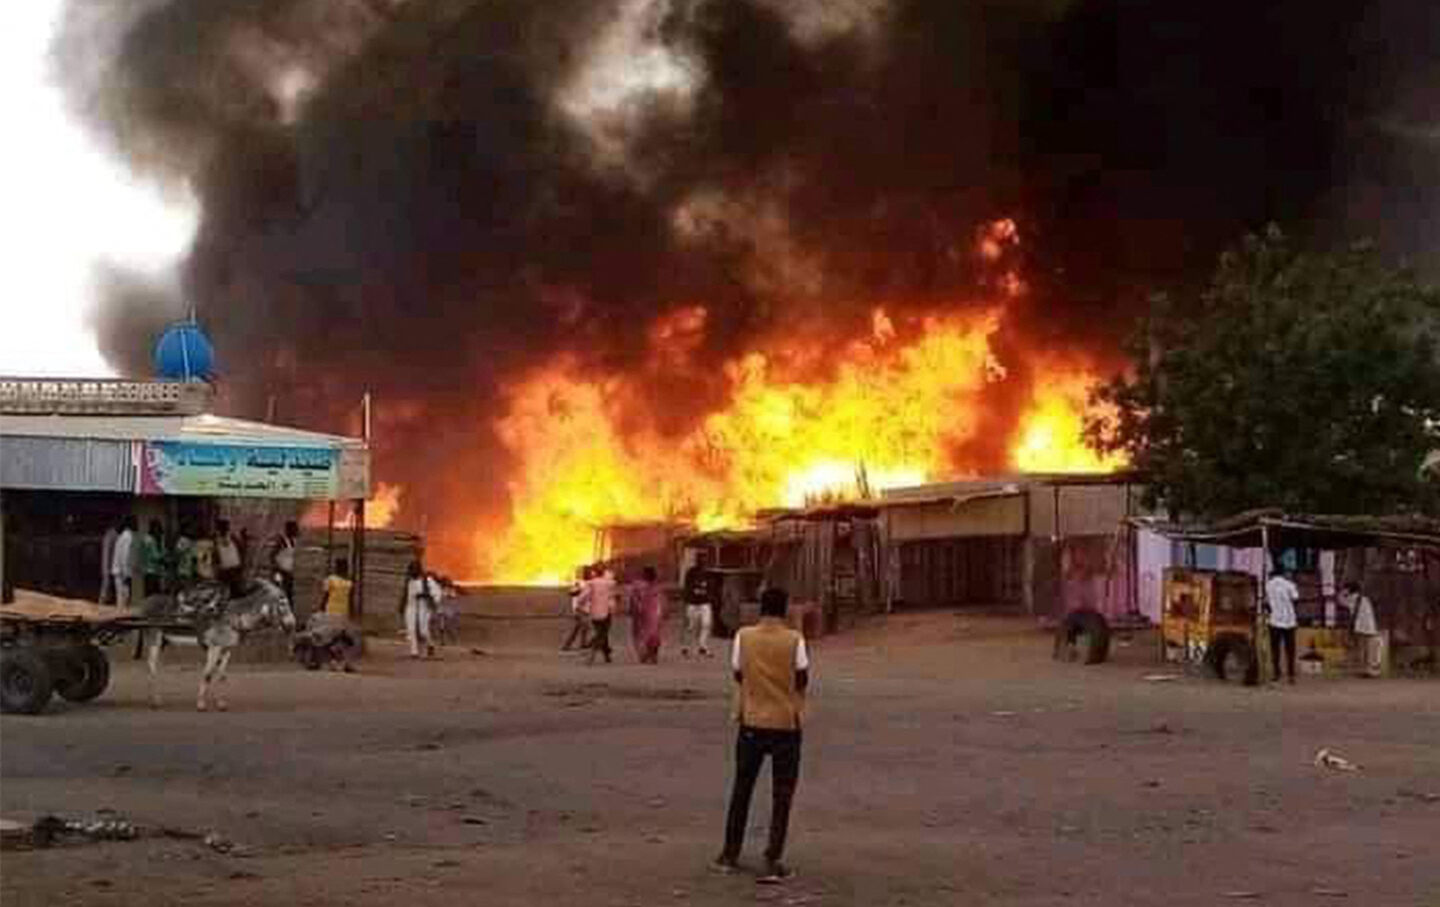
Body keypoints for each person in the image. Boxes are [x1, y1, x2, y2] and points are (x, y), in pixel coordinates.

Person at [715, 586, 810, 883]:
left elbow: (738, 672)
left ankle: (729, 854)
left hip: (752, 721)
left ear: (760, 609)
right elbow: (802, 677)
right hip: (785, 724)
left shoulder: (744, 636)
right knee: (782, 794)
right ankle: (772, 857)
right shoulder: (795, 639)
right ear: (784, 610)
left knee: (741, 789)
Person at [1265, 566, 1300, 684]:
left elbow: (1267, 603)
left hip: (1274, 620)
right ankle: (1291, 675)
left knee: (1275, 649)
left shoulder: (1268, 585)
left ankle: (1276, 673)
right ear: (1284, 573)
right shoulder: (1290, 585)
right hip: (1289, 621)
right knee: (1290, 649)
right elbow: (1296, 599)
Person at [401, 559, 442, 659]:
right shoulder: (409, 580)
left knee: (423, 629)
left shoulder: (427, 580)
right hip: (411, 605)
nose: (412, 572)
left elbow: (437, 593)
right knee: (411, 629)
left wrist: (425, 596)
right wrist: (402, 606)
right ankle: (414, 652)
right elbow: (405, 594)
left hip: (423, 606)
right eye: (411, 570)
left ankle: (430, 644)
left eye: (414, 570)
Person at [1344, 581, 1383, 678]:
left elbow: (1340, 600)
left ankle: (1363, 670)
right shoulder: (1365, 599)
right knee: (1369, 650)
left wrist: (1343, 593)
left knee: (1361, 649)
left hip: (1360, 627)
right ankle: (1371, 670)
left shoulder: (1351, 599)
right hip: (1370, 627)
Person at [582, 564, 618, 665]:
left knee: (602, 633)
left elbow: (583, 596)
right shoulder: (610, 583)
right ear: (603, 573)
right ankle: (592, 653)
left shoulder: (591, 583)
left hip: (594, 613)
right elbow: (611, 598)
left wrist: (582, 606)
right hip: (606, 612)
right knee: (602, 633)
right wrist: (613, 608)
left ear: (595, 573)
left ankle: (607, 655)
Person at [629, 566, 665, 664]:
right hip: (653, 614)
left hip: (643, 614)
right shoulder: (656, 587)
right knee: (653, 635)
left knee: (641, 635)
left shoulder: (637, 586)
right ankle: (651, 655)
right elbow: (661, 602)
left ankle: (645, 655)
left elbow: (634, 600)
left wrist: (633, 610)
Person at [682, 558, 714, 658]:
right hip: (693, 603)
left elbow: (711, 587)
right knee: (691, 626)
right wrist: (691, 594)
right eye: (701, 561)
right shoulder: (691, 572)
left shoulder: (708, 573)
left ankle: (702, 646)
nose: (703, 563)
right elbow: (687, 587)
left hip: (705, 602)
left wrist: (708, 594)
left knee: (706, 624)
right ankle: (686, 646)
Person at [561, 565, 595, 652]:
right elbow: (571, 592)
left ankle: (575, 644)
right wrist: (579, 591)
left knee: (580, 627)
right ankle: (569, 645)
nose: (592, 574)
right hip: (580, 609)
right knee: (582, 627)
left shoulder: (587, 583)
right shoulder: (580, 583)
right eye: (590, 572)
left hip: (584, 609)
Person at [111, 516, 137, 608]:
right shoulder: (128, 537)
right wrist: (126, 574)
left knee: (120, 598)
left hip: (118, 571)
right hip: (122, 572)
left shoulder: (122, 535)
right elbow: (125, 556)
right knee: (124, 598)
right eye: (135, 522)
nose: (137, 524)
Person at [271, 520, 299, 603]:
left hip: (288, 571)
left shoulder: (293, 541)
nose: (297, 531)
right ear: (289, 530)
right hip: (280, 572)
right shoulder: (282, 541)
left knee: (289, 594)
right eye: (295, 529)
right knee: (279, 594)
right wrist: (277, 569)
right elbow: (272, 555)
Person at [216, 519, 244, 597]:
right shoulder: (218, 537)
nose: (226, 528)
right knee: (228, 581)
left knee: (232, 580)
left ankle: (235, 592)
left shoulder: (230, 536)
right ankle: (232, 593)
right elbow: (239, 545)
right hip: (228, 562)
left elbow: (239, 546)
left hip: (232, 562)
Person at [139, 520, 166, 598]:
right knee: (153, 594)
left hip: (149, 570)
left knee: (150, 593)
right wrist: (165, 555)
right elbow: (156, 556)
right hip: (152, 570)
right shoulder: (151, 540)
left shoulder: (147, 538)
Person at [99, 519, 119, 604]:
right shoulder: (112, 535)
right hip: (110, 565)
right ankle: (103, 601)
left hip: (108, 564)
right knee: (107, 584)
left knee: (107, 584)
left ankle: (104, 601)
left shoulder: (110, 535)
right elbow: (108, 552)